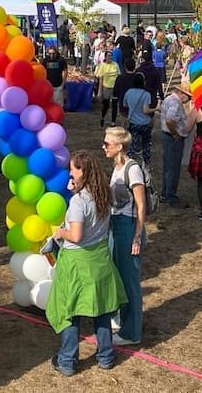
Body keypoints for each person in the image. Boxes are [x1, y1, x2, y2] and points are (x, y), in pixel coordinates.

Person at [46, 150, 127, 375]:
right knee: (101, 309)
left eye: (73, 168)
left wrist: (60, 233)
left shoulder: (78, 203)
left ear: (83, 172)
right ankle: (106, 357)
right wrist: (76, 191)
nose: (69, 172)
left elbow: (76, 235)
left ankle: (67, 361)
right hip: (99, 259)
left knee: (70, 311)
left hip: (77, 263)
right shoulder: (103, 194)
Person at [103, 127, 145, 346]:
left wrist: (137, 236)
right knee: (117, 277)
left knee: (130, 282)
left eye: (107, 143)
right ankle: (121, 318)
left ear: (119, 146)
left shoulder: (132, 169)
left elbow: (140, 206)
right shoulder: (117, 167)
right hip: (116, 227)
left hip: (129, 227)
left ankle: (132, 332)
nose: (103, 147)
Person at [159, 83, 196, 207]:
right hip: (172, 139)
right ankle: (171, 196)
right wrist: (175, 133)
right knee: (173, 168)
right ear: (182, 94)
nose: (189, 100)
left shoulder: (169, 99)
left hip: (167, 137)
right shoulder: (175, 103)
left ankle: (165, 193)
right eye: (189, 97)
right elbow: (170, 120)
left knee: (168, 167)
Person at [123, 73, 156, 167]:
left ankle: (128, 164)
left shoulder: (128, 92)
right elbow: (146, 110)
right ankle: (147, 164)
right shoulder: (146, 94)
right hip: (145, 123)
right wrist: (156, 109)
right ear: (144, 82)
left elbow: (125, 105)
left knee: (132, 145)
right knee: (146, 144)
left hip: (133, 123)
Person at [95, 50, 120, 127]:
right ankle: (102, 117)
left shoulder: (115, 64)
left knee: (115, 105)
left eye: (111, 56)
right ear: (105, 57)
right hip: (106, 87)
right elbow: (101, 78)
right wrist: (100, 90)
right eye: (108, 56)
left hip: (115, 88)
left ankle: (113, 122)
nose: (110, 57)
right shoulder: (102, 65)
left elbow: (118, 75)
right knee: (106, 105)